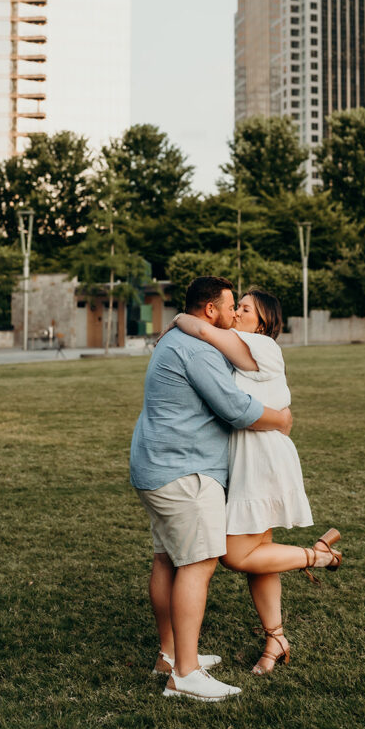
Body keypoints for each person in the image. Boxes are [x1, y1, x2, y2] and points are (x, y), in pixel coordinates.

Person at [129, 275, 295, 702]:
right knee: (199, 563)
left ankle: (170, 655)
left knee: (167, 560)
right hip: (184, 471)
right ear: (211, 311)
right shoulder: (197, 346)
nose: (233, 312)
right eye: (230, 305)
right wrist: (281, 419)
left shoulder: (179, 340)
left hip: (157, 465)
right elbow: (235, 409)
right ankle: (185, 674)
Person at [173, 287, 342, 675]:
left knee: (236, 554)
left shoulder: (261, 346)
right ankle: (276, 638)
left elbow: (202, 331)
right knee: (258, 557)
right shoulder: (243, 348)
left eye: (244, 309)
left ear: (263, 322)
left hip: (261, 459)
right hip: (251, 457)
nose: (236, 314)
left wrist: (182, 319)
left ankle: (318, 556)